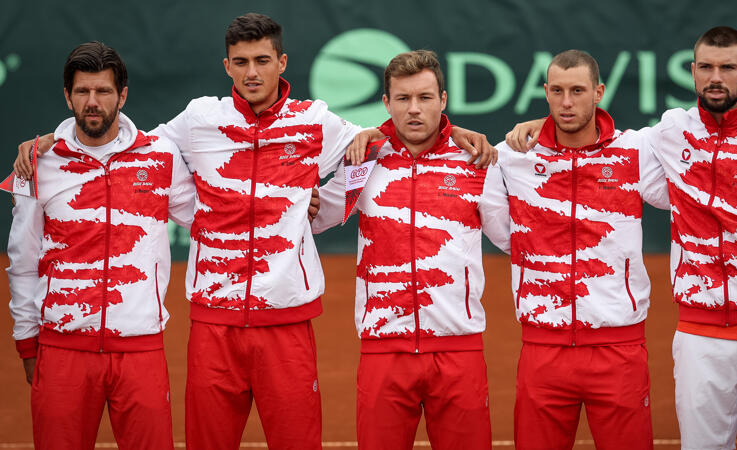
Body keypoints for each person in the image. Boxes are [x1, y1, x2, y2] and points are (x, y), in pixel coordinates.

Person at [13, 13, 496, 450]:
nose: (251, 72)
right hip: (213, 323)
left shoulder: (315, 122)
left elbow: (388, 136)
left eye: (262, 60)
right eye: (240, 61)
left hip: (286, 323)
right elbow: (125, 142)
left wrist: (456, 133)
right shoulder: (200, 119)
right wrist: (54, 139)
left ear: (281, 62)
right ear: (226, 66)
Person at [507, 27, 737, 449]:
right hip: (700, 336)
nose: (716, 77)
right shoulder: (669, 133)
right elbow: (588, 135)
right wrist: (547, 121)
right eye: (707, 67)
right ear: (693, 71)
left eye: (728, 67)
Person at [311, 50, 510, 449]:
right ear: (386, 103)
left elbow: (512, 238)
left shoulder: (476, 161)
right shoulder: (364, 160)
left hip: (458, 349)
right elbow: (315, 217)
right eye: (403, 99)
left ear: (444, 100)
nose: (414, 109)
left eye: (425, 98)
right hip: (384, 350)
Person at [7, 41, 196, 450]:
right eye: (82, 92)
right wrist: (27, 342)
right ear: (67, 96)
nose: (92, 102)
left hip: (140, 348)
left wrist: (294, 202)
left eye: (103, 91)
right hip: (62, 348)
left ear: (122, 95)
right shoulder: (35, 165)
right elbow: (22, 261)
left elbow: (211, 215)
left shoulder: (160, 156)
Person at [491, 49, 669, 449]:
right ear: (546, 93)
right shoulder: (513, 157)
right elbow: (445, 145)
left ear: (599, 92)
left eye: (577, 91)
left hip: (618, 349)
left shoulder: (634, 151)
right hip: (543, 348)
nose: (566, 102)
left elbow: (701, 142)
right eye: (557, 91)